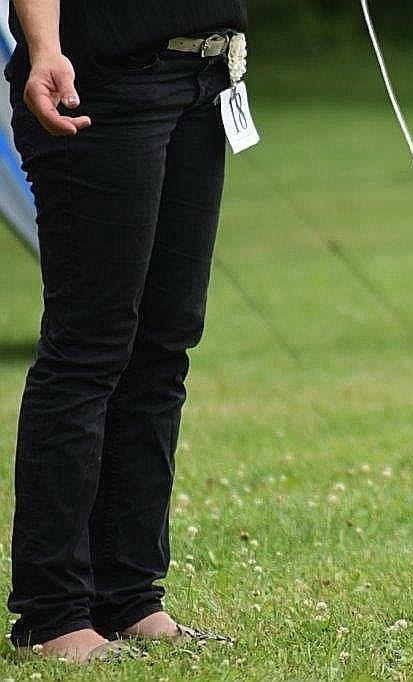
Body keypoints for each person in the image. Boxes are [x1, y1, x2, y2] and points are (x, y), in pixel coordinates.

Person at [6, 0, 247, 663]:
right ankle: (53, 614)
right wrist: (44, 47)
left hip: (206, 76)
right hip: (99, 82)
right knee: (88, 350)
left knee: (162, 347)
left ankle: (130, 597)